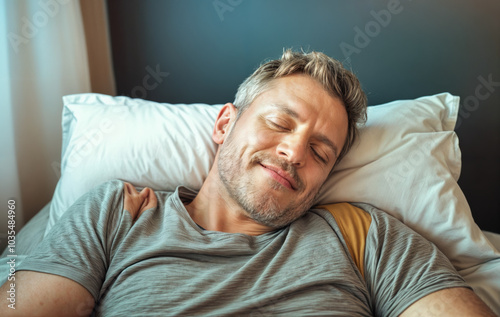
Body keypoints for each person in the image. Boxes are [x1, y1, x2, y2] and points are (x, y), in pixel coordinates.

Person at [1, 50, 496, 316]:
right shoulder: (119, 213)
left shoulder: (365, 237)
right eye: (280, 124)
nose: (295, 152)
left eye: (321, 151)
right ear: (224, 125)